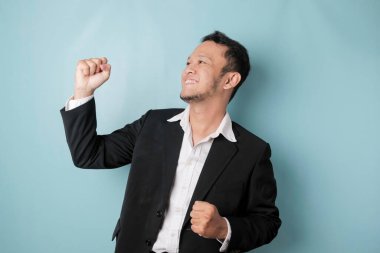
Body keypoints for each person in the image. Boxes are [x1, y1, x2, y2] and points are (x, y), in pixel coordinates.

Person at [61, 31, 281, 253]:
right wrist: (83, 91)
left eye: (202, 62)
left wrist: (223, 228)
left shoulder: (253, 151)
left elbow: (267, 222)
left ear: (230, 79)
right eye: (188, 62)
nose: (189, 69)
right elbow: (88, 155)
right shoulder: (152, 124)